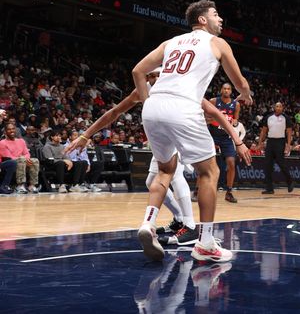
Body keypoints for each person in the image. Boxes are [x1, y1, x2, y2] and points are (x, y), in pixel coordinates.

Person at [128, 0, 253, 262]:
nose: (221, 20)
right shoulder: (217, 43)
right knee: (209, 171)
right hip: (183, 107)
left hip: (153, 107)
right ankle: (206, 242)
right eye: (216, 15)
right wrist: (244, 93)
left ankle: (148, 224)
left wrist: (147, 100)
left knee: (164, 171)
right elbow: (239, 81)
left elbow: (138, 70)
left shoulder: (171, 42)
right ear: (203, 20)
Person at [67, 66, 243, 246]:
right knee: (152, 182)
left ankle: (190, 226)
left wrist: (237, 140)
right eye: (150, 76)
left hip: (182, 133)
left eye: (157, 75)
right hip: (162, 137)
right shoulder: (143, 90)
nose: (153, 79)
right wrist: (85, 134)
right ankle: (180, 219)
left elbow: (213, 111)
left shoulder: (179, 87)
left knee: (175, 175)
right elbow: (114, 112)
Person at [207, 83, 241, 203]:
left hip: (226, 136)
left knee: (231, 163)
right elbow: (206, 118)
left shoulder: (236, 105)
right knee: (205, 164)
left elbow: (236, 120)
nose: (226, 90)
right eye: (224, 88)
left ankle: (229, 192)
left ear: (231, 91)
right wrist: (218, 118)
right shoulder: (213, 101)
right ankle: (197, 190)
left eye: (228, 89)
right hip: (212, 134)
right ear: (221, 90)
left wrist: (234, 122)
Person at [257, 102, 294, 195]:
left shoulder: (286, 118)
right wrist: (260, 143)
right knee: (268, 165)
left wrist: (288, 145)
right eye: (277, 106)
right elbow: (263, 131)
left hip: (280, 142)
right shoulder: (268, 117)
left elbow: (289, 132)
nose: (278, 108)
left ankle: (290, 182)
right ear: (274, 108)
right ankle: (269, 189)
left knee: (281, 163)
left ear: (282, 108)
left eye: (280, 106)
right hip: (270, 142)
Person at [0, 121, 40, 193]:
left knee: (35, 160)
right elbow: (8, 157)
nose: (11, 131)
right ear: (5, 132)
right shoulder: (2, 142)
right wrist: (23, 159)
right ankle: (20, 185)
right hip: (10, 163)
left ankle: (32, 185)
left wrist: (26, 159)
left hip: (22, 160)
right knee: (21, 159)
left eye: (13, 129)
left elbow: (27, 153)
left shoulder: (21, 141)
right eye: (9, 129)